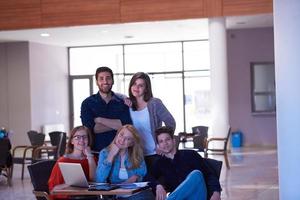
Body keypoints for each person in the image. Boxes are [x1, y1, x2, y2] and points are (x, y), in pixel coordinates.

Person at [151, 126, 221, 200]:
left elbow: (210, 174)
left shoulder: (190, 154)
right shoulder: (160, 163)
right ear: (158, 146)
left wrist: (216, 192)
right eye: (161, 141)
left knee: (196, 174)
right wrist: (158, 185)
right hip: (180, 198)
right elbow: (148, 177)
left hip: (197, 196)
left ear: (174, 141)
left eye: (167, 139)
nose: (165, 143)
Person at [127, 72, 175, 168]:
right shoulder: (128, 105)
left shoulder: (154, 103)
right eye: (134, 84)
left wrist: (161, 144)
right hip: (136, 156)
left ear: (146, 89)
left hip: (155, 154)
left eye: (141, 85)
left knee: (158, 182)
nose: (136, 87)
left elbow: (171, 123)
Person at [96, 125, 154, 200]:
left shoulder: (137, 155)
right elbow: (99, 180)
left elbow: (142, 174)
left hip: (136, 193)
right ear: (117, 134)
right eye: (121, 135)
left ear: (132, 143)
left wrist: (136, 177)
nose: (122, 140)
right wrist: (111, 155)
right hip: (116, 195)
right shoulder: (104, 153)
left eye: (128, 139)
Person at [81, 66, 132, 152]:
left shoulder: (123, 102)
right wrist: (117, 124)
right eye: (101, 79)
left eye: (108, 78)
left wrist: (99, 120)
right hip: (96, 152)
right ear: (96, 82)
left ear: (113, 81)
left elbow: (126, 126)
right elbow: (91, 129)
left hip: (121, 152)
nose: (105, 81)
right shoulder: (87, 103)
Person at [48, 126, 97, 200]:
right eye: (77, 137)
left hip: (89, 197)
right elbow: (53, 190)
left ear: (88, 140)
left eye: (85, 137)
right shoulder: (63, 161)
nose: (82, 140)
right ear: (72, 141)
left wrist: (89, 156)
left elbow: (94, 180)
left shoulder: (92, 159)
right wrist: (70, 184)